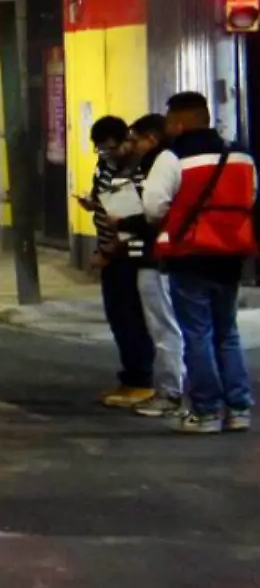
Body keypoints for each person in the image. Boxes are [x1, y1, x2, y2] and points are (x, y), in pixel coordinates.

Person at [140, 91, 255, 434]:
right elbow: (250, 197)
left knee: (197, 333)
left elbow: (153, 206)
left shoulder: (171, 158)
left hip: (189, 254)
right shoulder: (241, 156)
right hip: (232, 253)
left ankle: (205, 411)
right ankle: (238, 408)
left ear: (177, 122)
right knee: (227, 333)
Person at [115, 114, 187, 418]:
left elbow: (154, 210)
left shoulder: (162, 164)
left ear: (152, 139)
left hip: (156, 257)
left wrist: (123, 220)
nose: (132, 145)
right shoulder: (160, 163)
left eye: (136, 139)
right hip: (164, 255)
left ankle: (170, 392)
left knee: (164, 326)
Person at [82, 116, 155, 408]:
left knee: (131, 317)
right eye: (100, 150)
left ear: (126, 140)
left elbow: (131, 218)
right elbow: (106, 200)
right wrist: (92, 202)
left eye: (111, 148)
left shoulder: (136, 171)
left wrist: (109, 252)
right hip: (110, 250)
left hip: (130, 253)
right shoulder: (106, 167)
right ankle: (130, 378)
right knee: (118, 317)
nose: (107, 155)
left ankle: (141, 380)